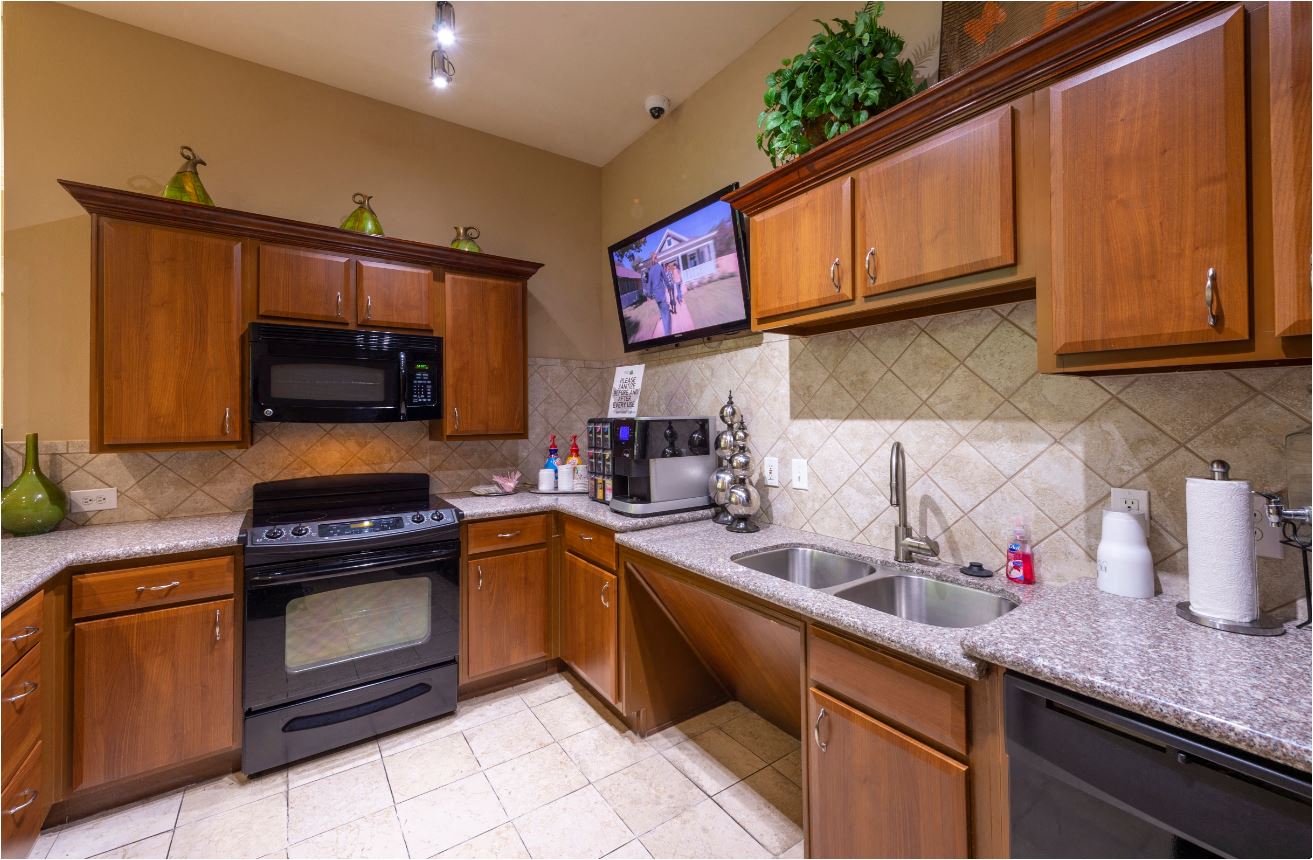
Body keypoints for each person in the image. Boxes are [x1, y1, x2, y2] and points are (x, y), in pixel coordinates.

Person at [642, 252, 675, 336]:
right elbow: (665, 279)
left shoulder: (650, 271)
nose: (658, 259)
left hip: (656, 297)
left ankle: (666, 333)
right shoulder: (659, 267)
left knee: (663, 313)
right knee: (666, 315)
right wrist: (670, 287)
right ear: (656, 258)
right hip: (661, 295)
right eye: (657, 257)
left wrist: (649, 295)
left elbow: (648, 285)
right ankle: (668, 334)